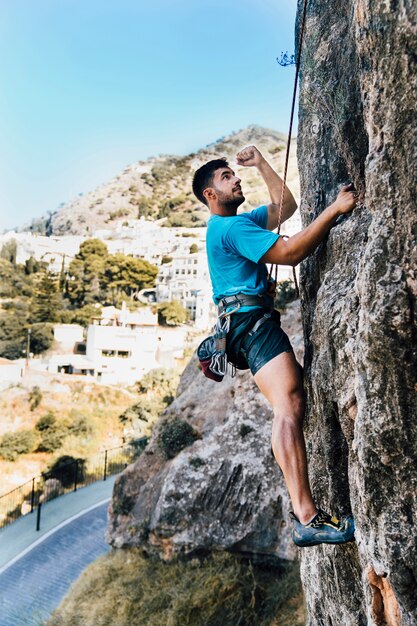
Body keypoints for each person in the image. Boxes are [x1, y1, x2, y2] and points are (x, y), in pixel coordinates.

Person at [192, 145, 357, 547]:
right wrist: (335, 209)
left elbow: (285, 206)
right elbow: (290, 252)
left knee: (293, 402)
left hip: (247, 324)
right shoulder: (231, 229)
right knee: (288, 405)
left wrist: (262, 163)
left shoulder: (237, 223)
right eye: (227, 177)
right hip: (252, 323)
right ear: (211, 194)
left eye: (235, 173)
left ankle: (307, 514)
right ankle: (306, 517)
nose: (236, 179)